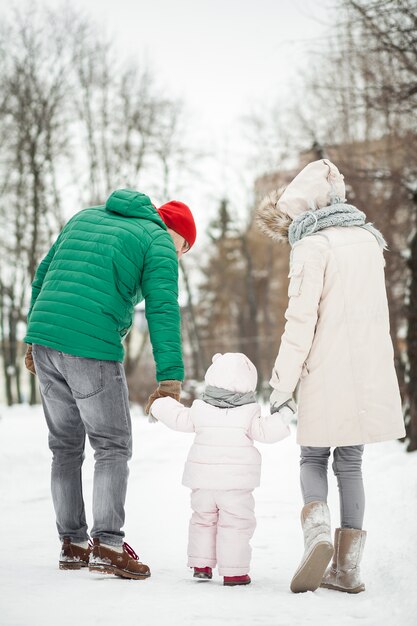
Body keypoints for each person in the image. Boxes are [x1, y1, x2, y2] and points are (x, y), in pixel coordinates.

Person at [24, 189, 196, 579]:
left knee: (65, 448)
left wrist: (31, 340)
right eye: (184, 247)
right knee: (112, 445)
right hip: (91, 347)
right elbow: (163, 309)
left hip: (46, 341)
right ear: (176, 234)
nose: (180, 256)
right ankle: (107, 545)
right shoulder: (157, 241)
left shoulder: (85, 217)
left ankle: (73, 544)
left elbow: (43, 274)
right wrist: (170, 378)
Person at [256, 159, 405, 594]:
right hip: (368, 369)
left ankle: (317, 532)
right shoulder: (369, 241)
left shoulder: (312, 246)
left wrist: (282, 384)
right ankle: (348, 569)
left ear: (302, 208)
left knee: (313, 457)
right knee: (351, 461)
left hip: (324, 369)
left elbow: (299, 321)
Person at [150, 352, 291, 586]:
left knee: (202, 519)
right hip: (235, 485)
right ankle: (234, 572)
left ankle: (201, 564)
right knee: (236, 522)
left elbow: (178, 417)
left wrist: (159, 404)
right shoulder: (249, 412)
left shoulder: (199, 409)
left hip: (203, 482)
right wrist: (286, 413)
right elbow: (266, 431)